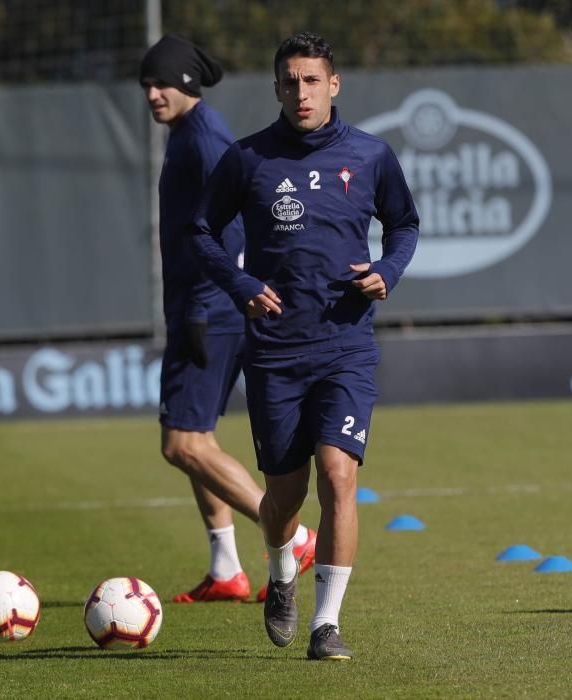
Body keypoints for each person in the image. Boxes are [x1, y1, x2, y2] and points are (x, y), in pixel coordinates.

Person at [189, 32, 419, 658]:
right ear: (276, 89)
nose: (301, 92)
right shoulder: (247, 158)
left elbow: (404, 225)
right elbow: (202, 231)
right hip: (274, 354)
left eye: (312, 80)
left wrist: (387, 271)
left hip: (346, 346)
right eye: (290, 82)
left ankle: (327, 624)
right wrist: (240, 282)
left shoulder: (371, 155)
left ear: (333, 85)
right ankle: (280, 572)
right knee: (283, 497)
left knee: (338, 476)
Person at [139, 34, 316, 604]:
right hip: (202, 306)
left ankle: (298, 538)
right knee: (200, 440)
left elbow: (236, 217)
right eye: (145, 84)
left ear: (186, 84)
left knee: (182, 444)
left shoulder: (205, 138)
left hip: (210, 310)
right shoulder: (189, 133)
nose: (151, 93)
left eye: (160, 82)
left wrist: (218, 296)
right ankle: (226, 571)